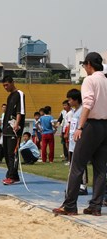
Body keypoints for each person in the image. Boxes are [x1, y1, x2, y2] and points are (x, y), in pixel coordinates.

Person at [53, 52, 107, 216]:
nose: (84, 68)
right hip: (105, 125)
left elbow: (88, 104)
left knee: (76, 165)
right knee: (100, 169)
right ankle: (96, 206)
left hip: (91, 125)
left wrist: (80, 127)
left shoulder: (90, 80)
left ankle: (70, 205)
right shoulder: (106, 80)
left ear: (89, 64)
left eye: (84, 65)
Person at [1, 76, 25, 185]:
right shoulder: (9, 96)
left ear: (12, 83)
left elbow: (20, 111)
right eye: (4, 86)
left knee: (12, 153)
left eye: (7, 85)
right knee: (6, 153)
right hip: (6, 128)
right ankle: (14, 175)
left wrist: (17, 124)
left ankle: (11, 176)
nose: (5, 87)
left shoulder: (19, 94)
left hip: (14, 129)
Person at [66, 88, 88, 195]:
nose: (69, 102)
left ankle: (83, 186)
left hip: (79, 142)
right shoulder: (74, 112)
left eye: (70, 100)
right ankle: (75, 185)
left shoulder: (82, 111)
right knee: (73, 165)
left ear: (76, 100)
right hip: (72, 143)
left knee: (80, 165)